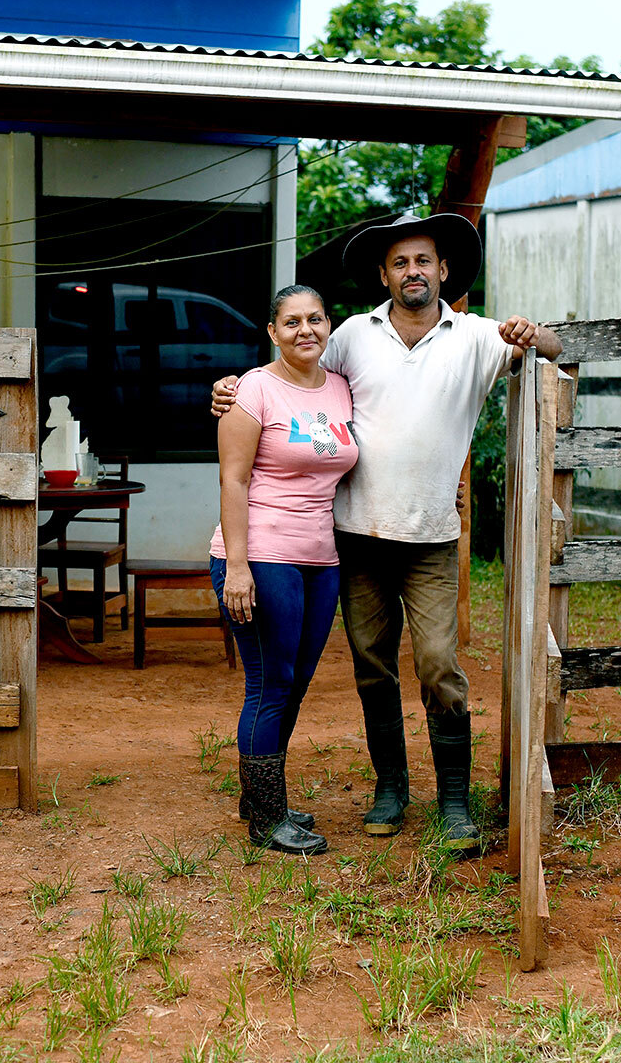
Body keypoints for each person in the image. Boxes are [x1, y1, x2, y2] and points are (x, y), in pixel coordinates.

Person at [212, 213, 561, 853]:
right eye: (400, 264)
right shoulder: (352, 335)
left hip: (430, 537)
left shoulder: (478, 337)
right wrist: (233, 390)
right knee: (372, 667)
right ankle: (390, 787)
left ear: (444, 270)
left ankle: (454, 800)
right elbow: (298, 371)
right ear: (384, 275)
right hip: (354, 538)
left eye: (423, 261)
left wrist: (535, 334)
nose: (413, 272)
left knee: (437, 663)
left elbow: (554, 350)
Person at [210, 284, 358, 855]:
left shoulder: (341, 388)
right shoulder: (252, 389)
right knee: (269, 684)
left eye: (315, 319)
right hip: (260, 554)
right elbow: (234, 479)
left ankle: (261, 797)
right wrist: (239, 568)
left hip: (321, 558)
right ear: (272, 332)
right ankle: (267, 820)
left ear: (329, 326)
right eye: (291, 322)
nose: (306, 331)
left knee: (293, 682)